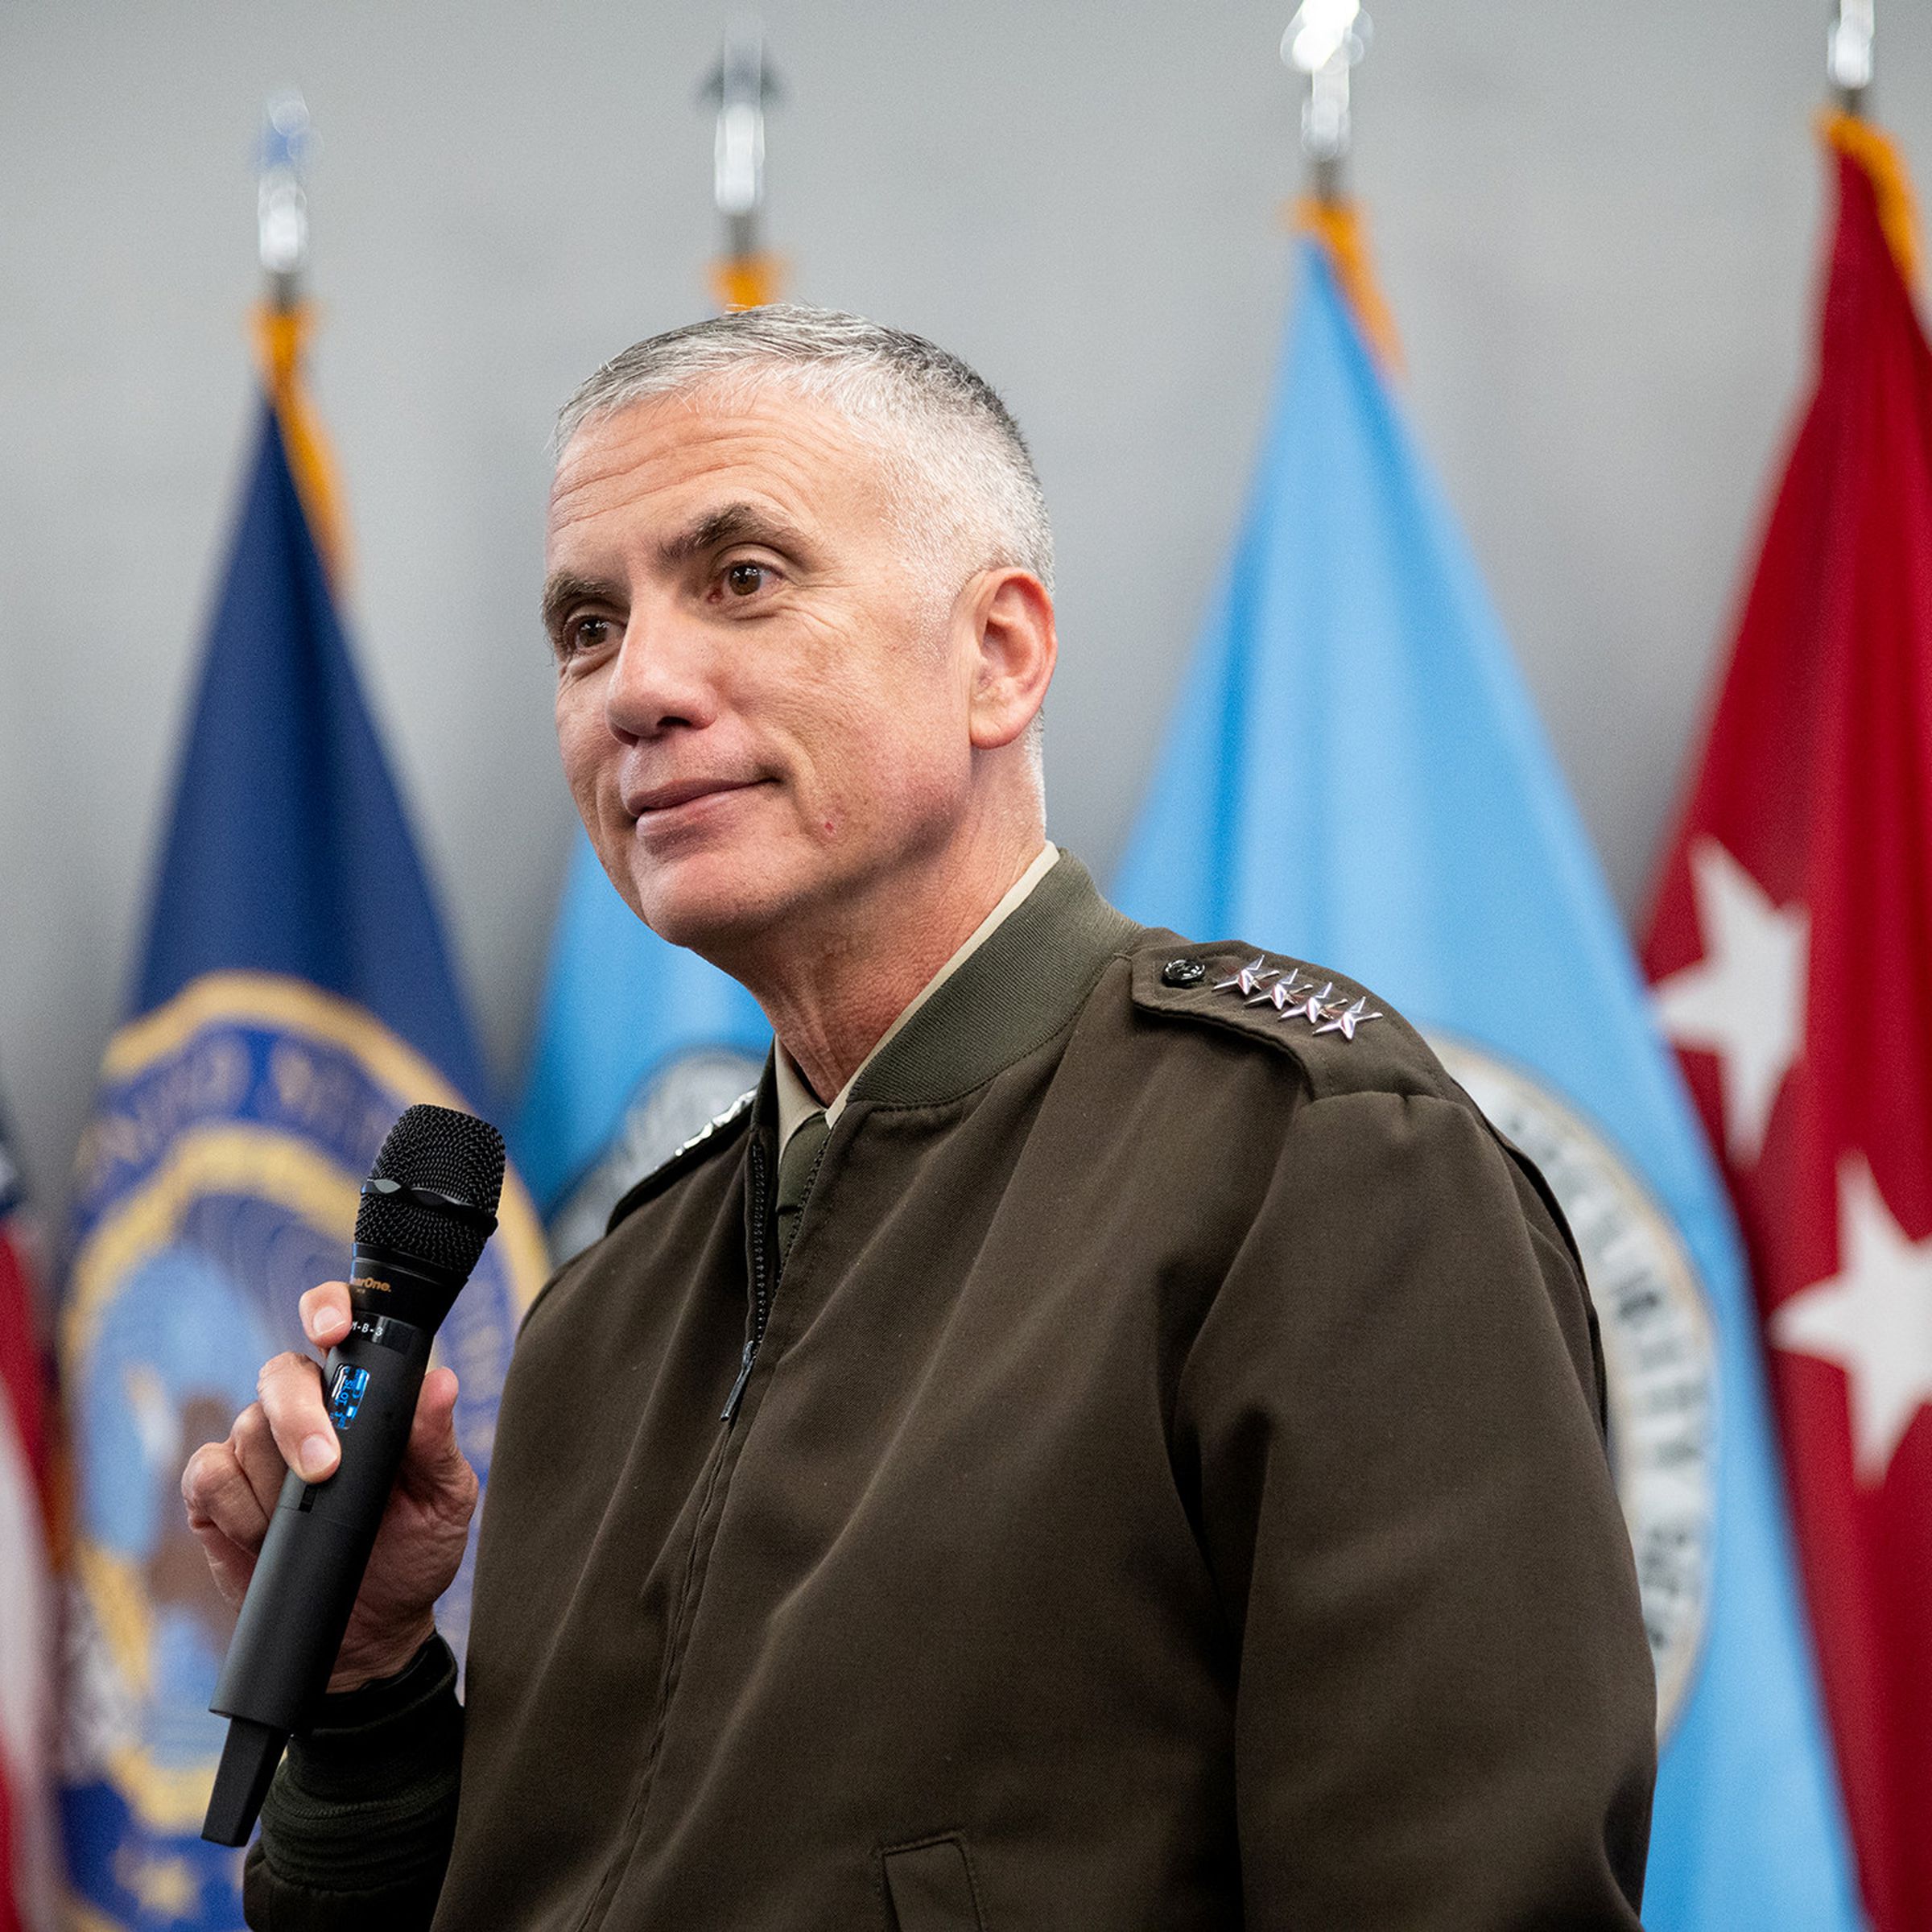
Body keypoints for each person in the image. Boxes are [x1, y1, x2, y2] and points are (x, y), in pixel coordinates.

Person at [184, 306, 1656, 1930]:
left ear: (1000, 655)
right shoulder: (610, 1308)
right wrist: (374, 1685)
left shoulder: (1310, 1167)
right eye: (587, 627)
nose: (638, 689)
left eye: (742, 579)